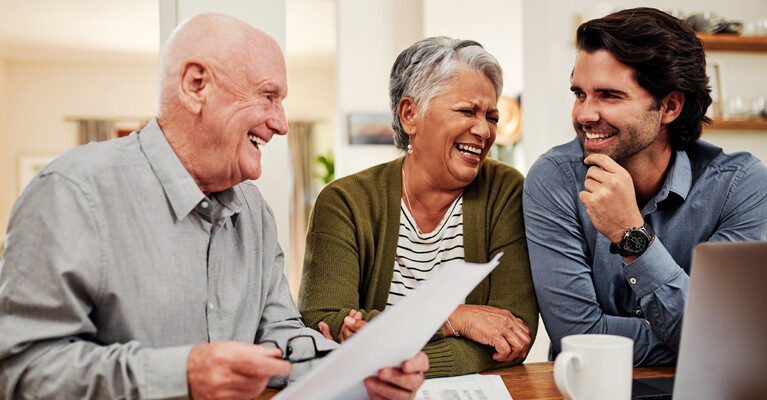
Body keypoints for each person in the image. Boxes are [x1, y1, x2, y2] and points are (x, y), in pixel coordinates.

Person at [0, 13, 427, 400]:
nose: (280, 123)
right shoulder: (72, 192)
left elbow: (279, 334)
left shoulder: (254, 209)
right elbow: (21, 370)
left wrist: (359, 369)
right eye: (267, 96)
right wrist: (182, 373)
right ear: (195, 86)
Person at [523, 7, 767, 366]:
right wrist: (695, 342)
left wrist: (630, 234)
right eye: (579, 94)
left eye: (609, 95)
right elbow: (579, 338)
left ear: (669, 106)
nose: (584, 115)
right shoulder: (554, 180)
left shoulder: (740, 186)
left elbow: (731, 339)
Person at [298, 36, 538, 378]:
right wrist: (455, 319)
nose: (484, 130)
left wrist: (379, 351)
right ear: (410, 115)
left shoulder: (505, 192)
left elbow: (513, 336)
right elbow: (323, 322)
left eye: (492, 116)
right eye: (468, 111)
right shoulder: (345, 202)